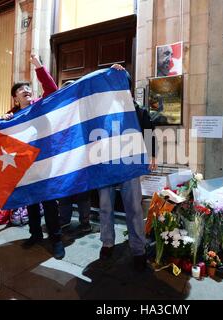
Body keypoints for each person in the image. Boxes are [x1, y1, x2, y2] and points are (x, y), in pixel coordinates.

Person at [98, 64, 157, 271]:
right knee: (105, 207)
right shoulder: (103, 110)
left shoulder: (138, 110)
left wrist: (152, 155)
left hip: (130, 165)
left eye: (121, 83)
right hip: (106, 165)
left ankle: (138, 249)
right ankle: (107, 242)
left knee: (133, 208)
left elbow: (149, 131)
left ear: (128, 87)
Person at [8, 54, 65, 260]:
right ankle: (35, 234)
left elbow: (51, 89)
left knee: (49, 202)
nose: (27, 91)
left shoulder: (41, 105)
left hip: (45, 162)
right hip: (25, 165)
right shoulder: (12, 116)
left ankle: (56, 239)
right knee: (31, 201)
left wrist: (39, 66)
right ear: (15, 98)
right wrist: (6, 119)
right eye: (21, 90)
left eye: (28, 88)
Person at [57, 80, 93, 233]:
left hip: (82, 158)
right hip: (64, 158)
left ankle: (85, 222)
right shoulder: (59, 111)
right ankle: (64, 220)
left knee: (83, 192)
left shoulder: (86, 109)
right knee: (65, 192)